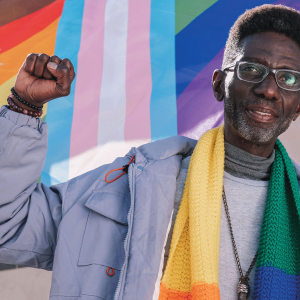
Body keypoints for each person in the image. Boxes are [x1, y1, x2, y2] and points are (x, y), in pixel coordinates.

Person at [0, 4, 300, 300]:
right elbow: (9, 226)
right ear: (219, 85)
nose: (269, 89)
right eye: (251, 69)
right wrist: (23, 107)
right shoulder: (131, 186)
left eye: (288, 78)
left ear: (298, 105)